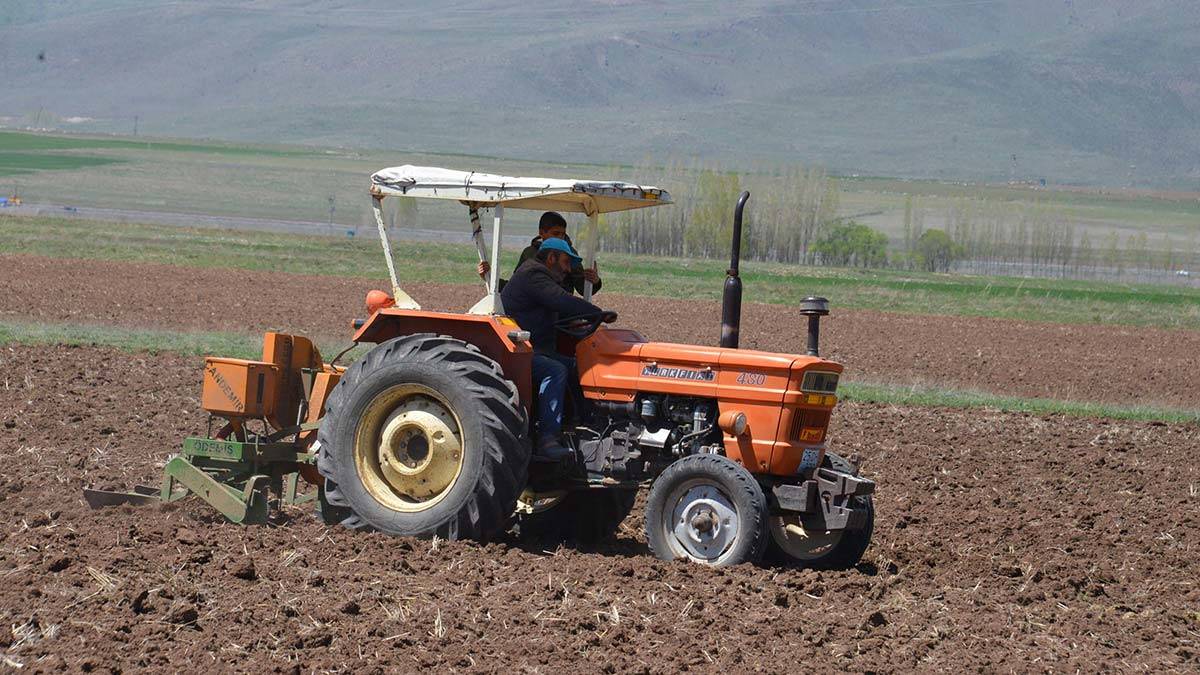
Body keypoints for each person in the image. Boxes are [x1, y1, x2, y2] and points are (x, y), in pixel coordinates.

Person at [500, 237, 603, 461]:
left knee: (579, 366)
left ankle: (586, 427)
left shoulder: (543, 280)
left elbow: (562, 308)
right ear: (551, 258)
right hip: (518, 352)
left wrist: (587, 318)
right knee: (555, 370)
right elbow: (561, 301)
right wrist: (597, 313)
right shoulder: (533, 274)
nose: (568, 270)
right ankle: (548, 438)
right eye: (566, 263)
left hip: (536, 348)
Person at [477, 211, 602, 295]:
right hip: (533, 309)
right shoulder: (529, 253)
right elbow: (515, 285)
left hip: (561, 310)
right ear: (542, 233)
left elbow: (582, 288)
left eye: (562, 234)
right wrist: (489, 277)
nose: (560, 238)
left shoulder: (569, 254)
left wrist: (594, 281)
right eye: (555, 233)